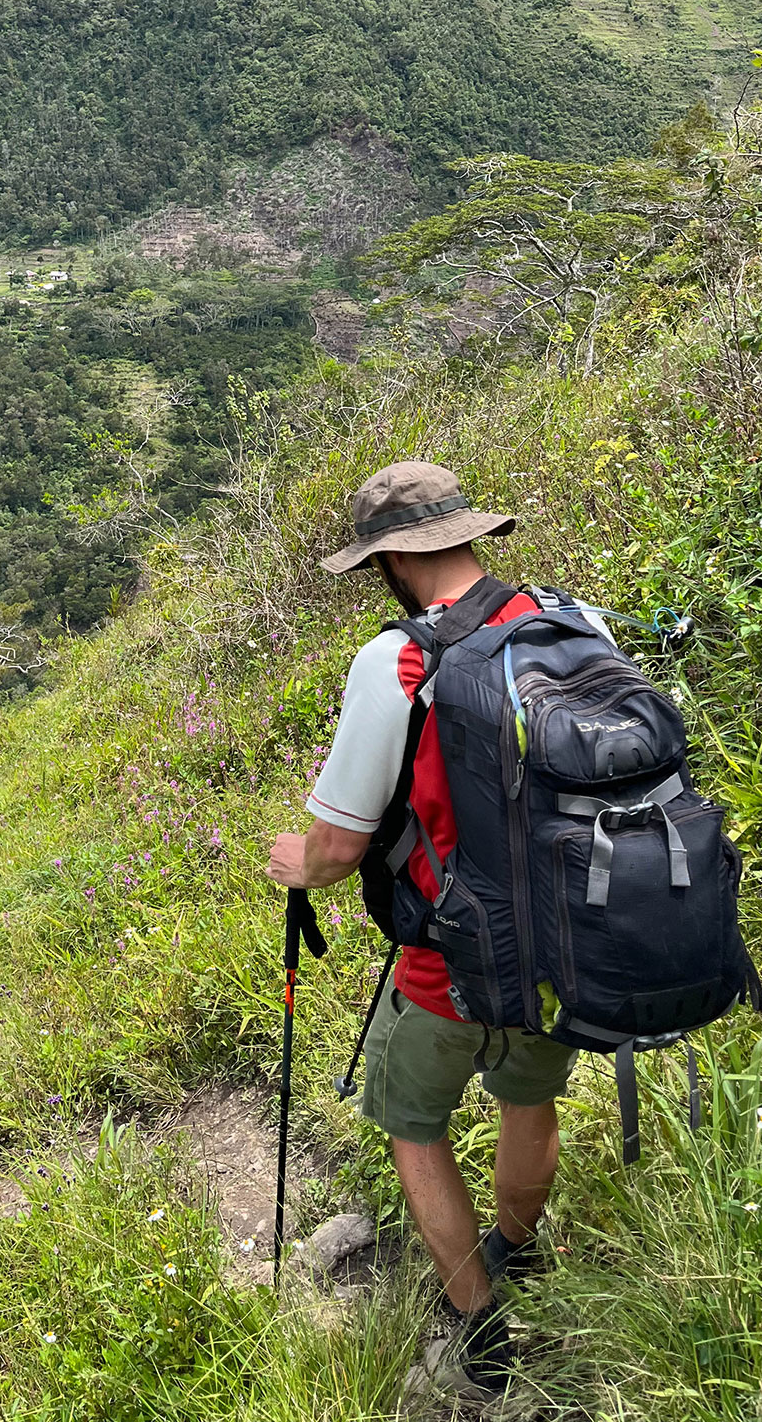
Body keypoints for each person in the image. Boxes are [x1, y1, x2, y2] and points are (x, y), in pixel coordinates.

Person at [267, 461, 580, 1399]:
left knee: (412, 1125)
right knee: (530, 1098)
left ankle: (480, 1333)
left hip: (451, 960)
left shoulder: (397, 661)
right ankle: (516, 1246)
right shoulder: (572, 623)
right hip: (571, 944)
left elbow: (336, 847)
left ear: (395, 562)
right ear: (469, 536)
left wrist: (296, 863)